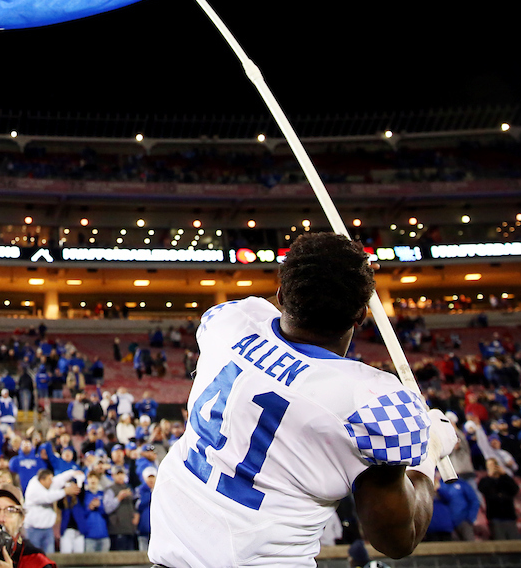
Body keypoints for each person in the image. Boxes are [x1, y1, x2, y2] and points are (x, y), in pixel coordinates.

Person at [149, 233, 458, 567]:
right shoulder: (369, 399)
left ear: (282, 294)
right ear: (361, 316)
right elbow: (397, 540)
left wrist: (314, 279)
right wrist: (430, 452)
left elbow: (270, 308)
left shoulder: (229, 322)